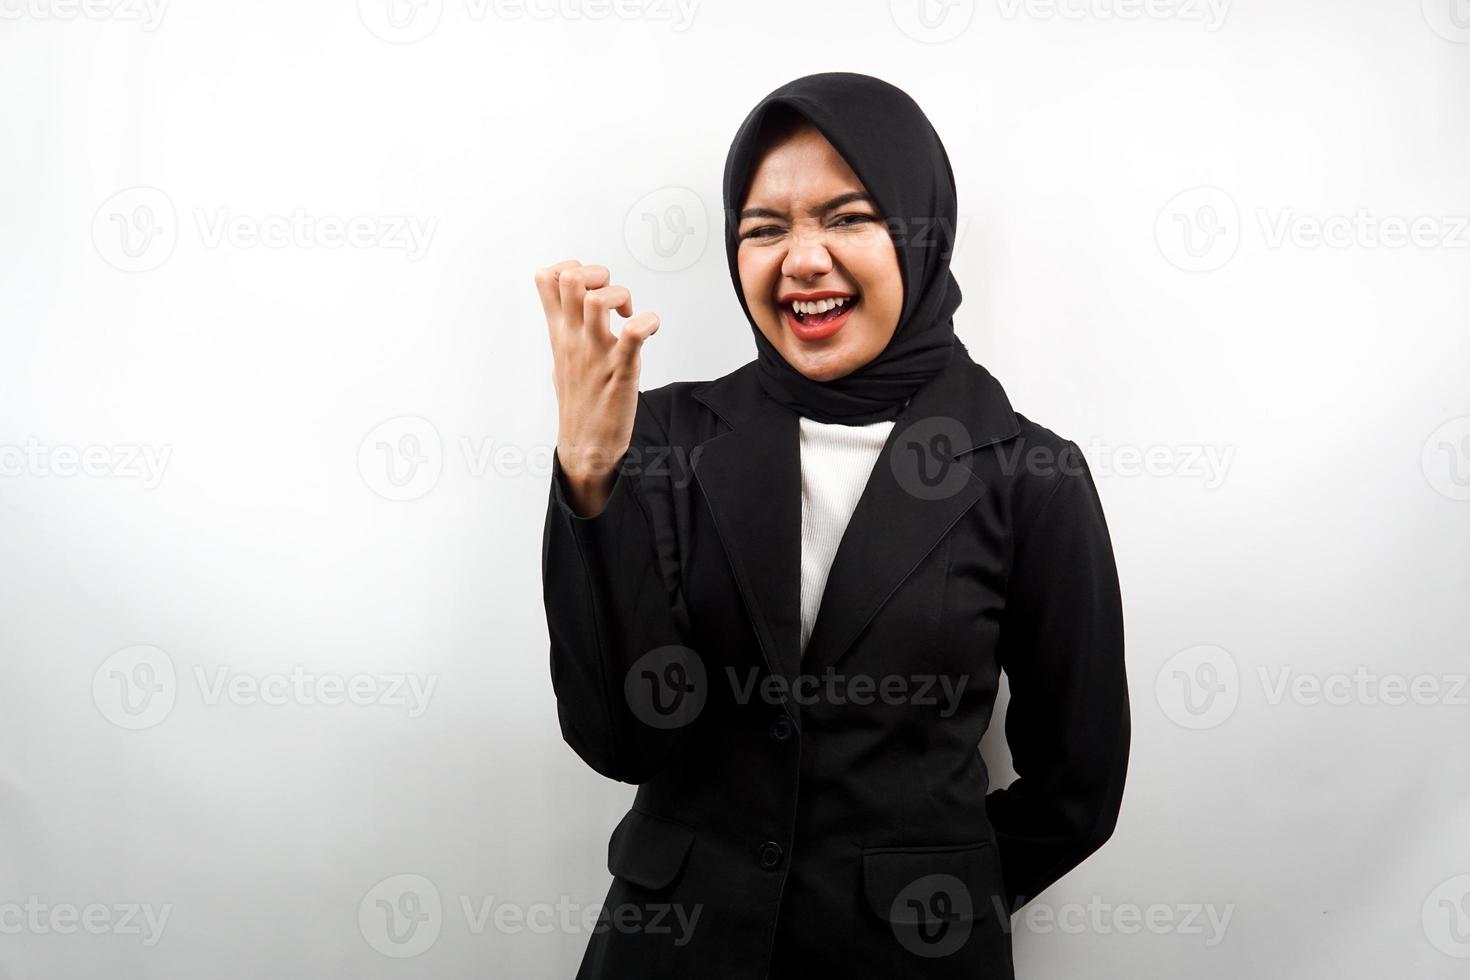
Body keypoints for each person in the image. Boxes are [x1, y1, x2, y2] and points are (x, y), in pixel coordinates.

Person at [536, 71, 1130, 980]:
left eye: (847, 217)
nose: (801, 259)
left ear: (920, 234)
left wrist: (943, 887)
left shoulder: (1027, 474)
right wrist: (589, 470)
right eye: (764, 229)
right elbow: (622, 741)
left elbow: (1077, 788)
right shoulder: (659, 436)